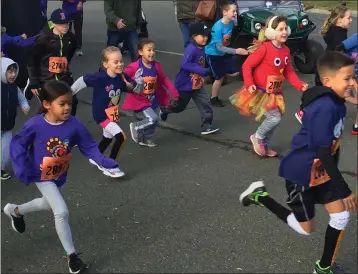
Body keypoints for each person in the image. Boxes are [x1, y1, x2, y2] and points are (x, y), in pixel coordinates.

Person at [239, 51, 357, 274]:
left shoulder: (336, 102)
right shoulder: (326, 107)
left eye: (353, 77)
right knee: (306, 229)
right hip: (301, 173)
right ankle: (260, 197)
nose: (352, 82)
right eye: (347, 78)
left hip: (321, 172)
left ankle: (322, 268)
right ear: (327, 81)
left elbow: (332, 146)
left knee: (341, 216)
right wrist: (344, 189)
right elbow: (323, 150)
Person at [3, 80, 125, 273]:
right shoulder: (35, 124)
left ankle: (15, 211)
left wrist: (102, 160)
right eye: (62, 103)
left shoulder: (74, 125)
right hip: (40, 173)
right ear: (46, 104)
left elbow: (88, 145)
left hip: (59, 173)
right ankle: (72, 257)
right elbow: (18, 144)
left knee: (46, 203)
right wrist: (21, 166)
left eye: (69, 102)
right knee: (61, 211)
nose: (68, 107)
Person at [230, 16, 307, 157]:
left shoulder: (286, 50)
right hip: (260, 91)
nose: (285, 32)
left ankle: (265, 144)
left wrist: (299, 84)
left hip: (274, 92)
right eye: (280, 29)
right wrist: (249, 84)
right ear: (271, 32)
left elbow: (289, 72)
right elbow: (247, 65)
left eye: (286, 29)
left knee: (275, 119)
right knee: (274, 118)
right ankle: (258, 137)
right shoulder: (264, 49)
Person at [71, 46, 144, 166]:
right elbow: (82, 80)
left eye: (121, 61)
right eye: (115, 62)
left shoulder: (122, 77)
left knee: (107, 138)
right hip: (101, 115)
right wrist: (69, 93)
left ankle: (96, 157)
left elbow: (136, 90)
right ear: (106, 64)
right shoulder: (100, 77)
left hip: (112, 113)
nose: (120, 64)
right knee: (121, 137)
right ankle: (110, 164)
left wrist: (137, 83)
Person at [295, 5, 352, 122]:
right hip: (327, 67)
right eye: (349, 18)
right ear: (339, 19)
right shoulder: (339, 34)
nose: (351, 20)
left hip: (325, 65)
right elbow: (338, 52)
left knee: (324, 93)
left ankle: (323, 113)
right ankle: (303, 111)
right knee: (322, 93)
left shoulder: (335, 30)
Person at [160, 22, 219, 135]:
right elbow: (185, 64)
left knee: (205, 103)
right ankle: (165, 109)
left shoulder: (201, 48)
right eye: (203, 36)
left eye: (206, 36)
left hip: (197, 84)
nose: (205, 39)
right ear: (194, 36)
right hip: (185, 84)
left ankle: (206, 126)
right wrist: (202, 70)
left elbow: (202, 61)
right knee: (180, 107)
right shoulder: (191, 48)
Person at [122, 39, 179, 147]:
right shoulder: (134, 67)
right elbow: (123, 76)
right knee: (152, 118)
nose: (152, 53)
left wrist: (174, 92)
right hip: (140, 100)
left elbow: (164, 79)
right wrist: (127, 85)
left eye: (153, 50)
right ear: (140, 52)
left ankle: (146, 138)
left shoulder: (156, 66)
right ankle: (136, 126)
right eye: (149, 50)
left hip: (153, 99)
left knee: (155, 121)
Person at [24, 8, 79, 117]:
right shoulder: (44, 39)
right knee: (50, 106)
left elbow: (71, 52)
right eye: (61, 24)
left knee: (72, 101)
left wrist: (65, 66)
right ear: (53, 24)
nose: (65, 27)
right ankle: (40, 127)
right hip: (46, 79)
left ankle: (67, 125)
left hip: (63, 77)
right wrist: (34, 80)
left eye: (67, 23)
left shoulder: (70, 38)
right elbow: (32, 60)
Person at [205, 1, 248, 107]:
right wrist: (236, 51)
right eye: (233, 11)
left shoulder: (231, 22)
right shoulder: (218, 27)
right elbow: (219, 47)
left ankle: (218, 71)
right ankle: (213, 98)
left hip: (224, 52)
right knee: (219, 78)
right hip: (213, 54)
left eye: (236, 11)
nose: (235, 13)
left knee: (236, 72)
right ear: (224, 12)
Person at [1, 57, 30, 180]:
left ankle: (1, 169)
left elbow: (22, 99)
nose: (13, 75)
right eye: (9, 71)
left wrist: (25, 106)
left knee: (6, 150)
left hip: (8, 126)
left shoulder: (15, 88)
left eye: (14, 72)